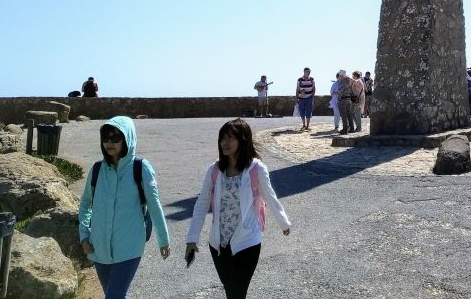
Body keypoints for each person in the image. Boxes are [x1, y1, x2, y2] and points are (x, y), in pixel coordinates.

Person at [186, 119, 291, 299]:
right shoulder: (215, 170)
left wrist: (283, 223)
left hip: (247, 241)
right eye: (222, 138)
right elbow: (202, 204)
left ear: (243, 140)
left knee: (237, 292)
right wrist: (192, 239)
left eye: (230, 138)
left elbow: (269, 197)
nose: (225, 143)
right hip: (218, 244)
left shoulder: (255, 169)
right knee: (231, 291)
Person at [78, 116, 170, 299]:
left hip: (129, 246)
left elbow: (154, 205)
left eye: (116, 137)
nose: (109, 142)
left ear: (127, 138)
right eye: (106, 138)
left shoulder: (141, 168)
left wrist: (163, 239)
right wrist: (84, 235)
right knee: (114, 295)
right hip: (100, 248)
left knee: (114, 296)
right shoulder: (97, 169)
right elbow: (86, 204)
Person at [295, 67, 316, 131]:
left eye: (309, 72)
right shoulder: (300, 80)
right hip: (301, 98)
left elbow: (314, 88)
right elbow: (297, 89)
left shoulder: (312, 79)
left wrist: (312, 96)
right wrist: (296, 97)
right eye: (307, 72)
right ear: (304, 72)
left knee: (308, 111)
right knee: (302, 111)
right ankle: (303, 124)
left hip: (309, 97)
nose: (308, 73)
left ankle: (307, 125)